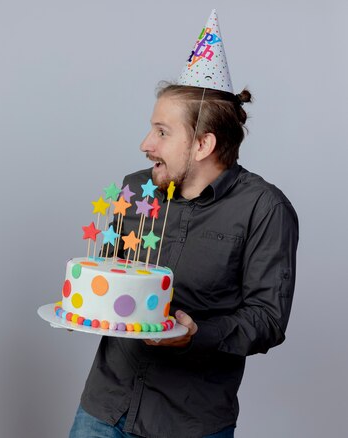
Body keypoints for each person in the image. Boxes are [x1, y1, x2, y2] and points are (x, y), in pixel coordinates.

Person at [69, 11, 298, 438]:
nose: (145, 145)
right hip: (104, 408)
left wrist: (195, 334)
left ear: (202, 144)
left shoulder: (264, 208)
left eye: (161, 132)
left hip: (189, 422)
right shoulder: (134, 189)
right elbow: (113, 276)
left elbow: (267, 318)